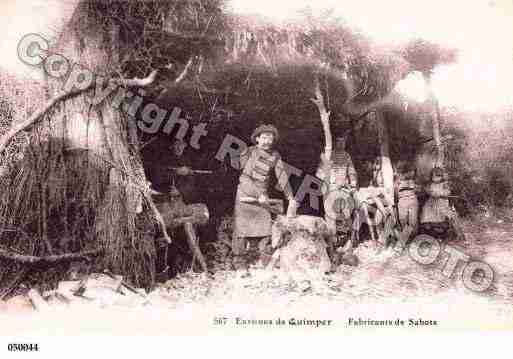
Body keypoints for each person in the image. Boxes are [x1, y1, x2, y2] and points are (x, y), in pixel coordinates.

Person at [232, 124, 295, 276]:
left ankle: (264, 261)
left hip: (262, 196)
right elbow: (245, 177)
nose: (267, 141)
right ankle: (240, 265)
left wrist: (290, 197)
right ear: (257, 139)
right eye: (264, 137)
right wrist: (256, 194)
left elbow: (282, 176)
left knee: (266, 231)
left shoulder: (275, 155)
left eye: (270, 138)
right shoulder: (249, 152)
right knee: (242, 230)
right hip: (245, 194)